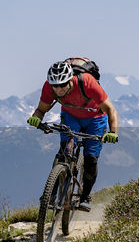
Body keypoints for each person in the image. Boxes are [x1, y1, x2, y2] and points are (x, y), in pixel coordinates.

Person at [26, 60, 119, 212]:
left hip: (95, 119)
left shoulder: (87, 83)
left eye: (63, 84)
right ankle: (51, 194)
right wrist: (36, 118)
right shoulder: (49, 87)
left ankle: (85, 197)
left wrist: (113, 132)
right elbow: (41, 109)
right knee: (64, 152)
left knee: (91, 159)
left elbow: (111, 110)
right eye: (55, 85)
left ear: (70, 80)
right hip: (71, 116)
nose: (59, 89)